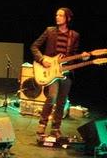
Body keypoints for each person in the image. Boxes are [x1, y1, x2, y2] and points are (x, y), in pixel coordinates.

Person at [30, 7, 89, 138]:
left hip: (66, 71)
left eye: (60, 15)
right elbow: (34, 46)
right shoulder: (50, 31)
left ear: (67, 18)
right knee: (52, 96)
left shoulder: (74, 35)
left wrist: (82, 57)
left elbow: (73, 55)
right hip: (51, 70)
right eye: (56, 15)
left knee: (62, 101)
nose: (57, 17)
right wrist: (42, 59)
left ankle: (55, 128)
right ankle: (42, 124)